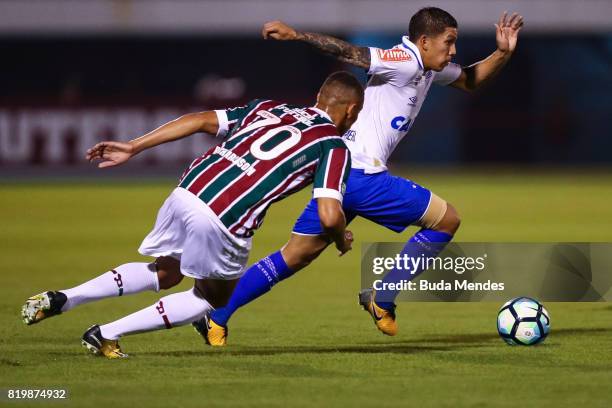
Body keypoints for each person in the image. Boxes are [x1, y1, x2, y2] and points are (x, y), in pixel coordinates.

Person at [198, 8, 524, 345]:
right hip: (362, 174)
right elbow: (349, 53)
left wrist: (502, 52)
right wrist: (298, 35)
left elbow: (471, 80)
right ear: (424, 41)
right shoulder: (405, 60)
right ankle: (381, 298)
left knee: (295, 255)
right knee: (446, 221)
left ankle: (216, 316)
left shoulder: (428, 69)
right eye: (449, 42)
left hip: (338, 170)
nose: (453, 50)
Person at [21, 71, 364, 358]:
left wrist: (134, 146)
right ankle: (106, 333)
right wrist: (340, 238)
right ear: (352, 111)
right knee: (211, 299)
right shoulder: (332, 145)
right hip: (225, 217)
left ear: (319, 95)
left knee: (167, 272)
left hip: (187, 190)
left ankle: (66, 297)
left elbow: (200, 120)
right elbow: (331, 214)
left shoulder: (270, 108)